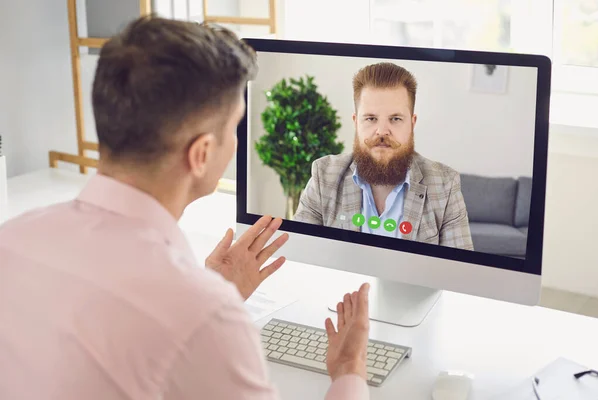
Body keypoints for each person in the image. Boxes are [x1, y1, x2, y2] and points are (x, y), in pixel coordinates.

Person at [0, 16, 371, 400]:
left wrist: (209, 290)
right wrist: (349, 370)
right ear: (202, 154)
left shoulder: (11, 241)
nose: (236, 144)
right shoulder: (204, 317)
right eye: (234, 129)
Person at [294, 62, 474, 250]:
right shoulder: (324, 176)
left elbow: (460, 275)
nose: (382, 131)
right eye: (371, 118)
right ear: (356, 122)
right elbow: (301, 256)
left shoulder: (445, 185)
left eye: (395, 119)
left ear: (412, 124)